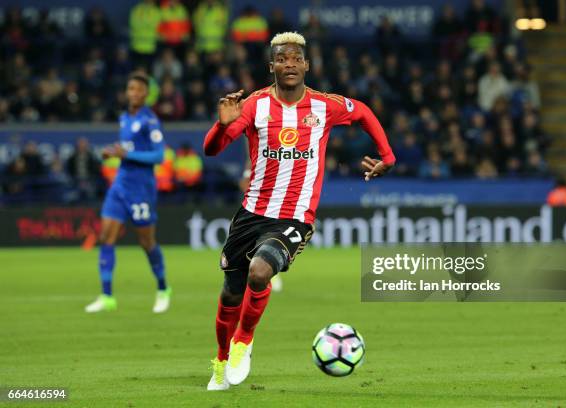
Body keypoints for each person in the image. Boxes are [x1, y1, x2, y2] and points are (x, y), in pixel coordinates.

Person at [203, 32, 395, 390]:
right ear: (271, 65)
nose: (288, 64)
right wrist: (222, 125)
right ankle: (221, 358)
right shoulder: (254, 106)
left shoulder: (324, 105)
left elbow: (364, 112)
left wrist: (388, 155)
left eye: (295, 59)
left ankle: (244, 341)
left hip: (295, 217)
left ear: (306, 64)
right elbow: (212, 149)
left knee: (260, 273)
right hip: (251, 214)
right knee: (231, 292)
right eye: (281, 59)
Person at [85, 73, 171, 314]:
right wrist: (113, 152)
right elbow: (127, 149)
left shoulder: (150, 121)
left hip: (141, 189)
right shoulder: (124, 118)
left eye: (137, 89)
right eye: (130, 88)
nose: (132, 92)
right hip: (120, 185)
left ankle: (163, 288)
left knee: (146, 242)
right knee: (106, 237)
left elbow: (158, 156)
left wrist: (126, 155)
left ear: (145, 94)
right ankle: (107, 295)